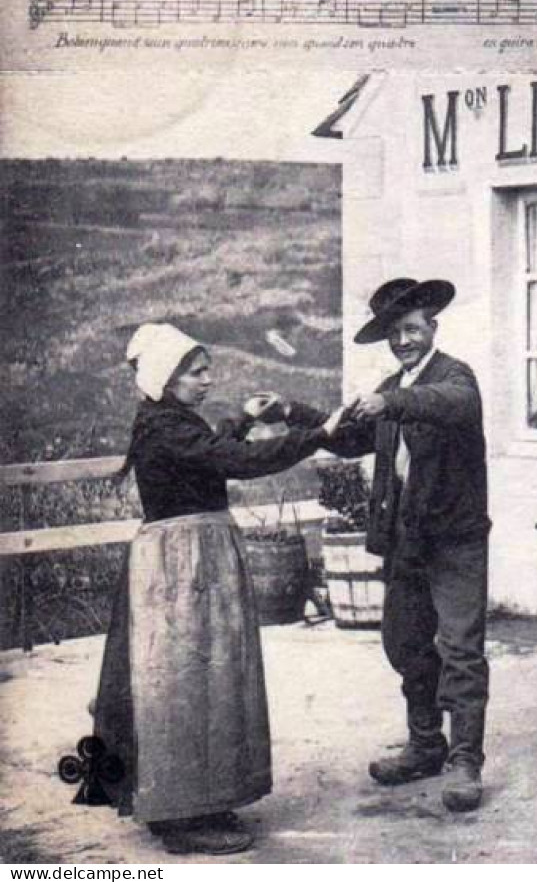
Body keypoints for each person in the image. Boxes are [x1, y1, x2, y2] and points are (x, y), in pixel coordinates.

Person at [93, 323, 339, 856]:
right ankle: (181, 817)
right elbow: (236, 462)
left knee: (205, 681)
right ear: (166, 376)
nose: (207, 380)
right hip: (181, 567)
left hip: (192, 560)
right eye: (196, 372)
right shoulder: (165, 428)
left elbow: (211, 445)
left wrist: (244, 418)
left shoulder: (168, 420)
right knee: (183, 686)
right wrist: (316, 436)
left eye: (207, 370)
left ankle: (196, 800)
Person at [317, 278, 493, 813]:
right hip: (407, 541)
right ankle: (426, 743)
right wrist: (295, 415)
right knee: (404, 642)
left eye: (412, 330)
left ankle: (465, 760)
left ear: (432, 327)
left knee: (461, 650)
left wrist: (390, 400)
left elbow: (451, 405)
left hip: (456, 539)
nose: (404, 342)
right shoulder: (393, 386)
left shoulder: (455, 377)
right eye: (395, 335)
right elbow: (348, 438)